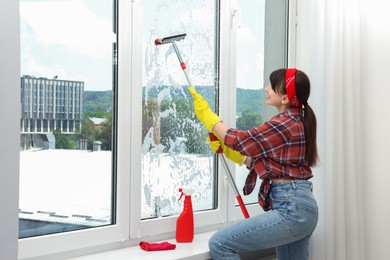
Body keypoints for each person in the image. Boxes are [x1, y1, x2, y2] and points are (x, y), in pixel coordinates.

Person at [189, 68, 319, 260]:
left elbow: (242, 140)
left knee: (220, 243)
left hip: (291, 207)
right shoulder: (296, 121)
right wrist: (231, 153)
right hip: (300, 205)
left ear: (285, 98)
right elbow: (264, 160)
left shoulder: (286, 122)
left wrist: (210, 118)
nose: (266, 89)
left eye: (272, 87)